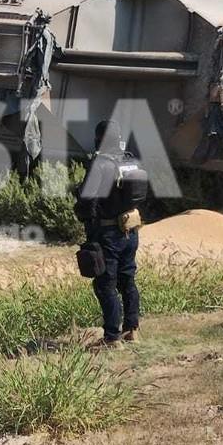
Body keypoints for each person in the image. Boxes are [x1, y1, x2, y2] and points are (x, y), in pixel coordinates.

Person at [75, 120, 148, 346]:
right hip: (130, 230)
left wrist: (85, 218)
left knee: (105, 284)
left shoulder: (101, 163)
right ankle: (132, 330)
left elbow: (87, 201)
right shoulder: (130, 160)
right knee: (127, 281)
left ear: (100, 139)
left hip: (108, 233)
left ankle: (111, 338)